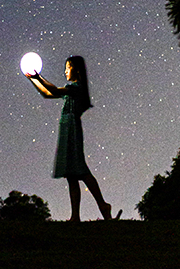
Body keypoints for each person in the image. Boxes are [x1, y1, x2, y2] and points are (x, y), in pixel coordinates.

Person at [24, 55, 118, 221]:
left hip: (72, 127)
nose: (65, 70)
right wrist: (32, 79)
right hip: (66, 126)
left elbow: (53, 90)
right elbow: (47, 94)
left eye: (68, 67)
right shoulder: (70, 90)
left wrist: (38, 76)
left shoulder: (76, 87)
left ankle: (102, 204)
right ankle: (76, 215)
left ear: (76, 69)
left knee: (79, 169)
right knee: (71, 173)